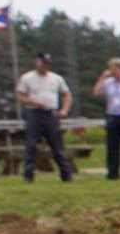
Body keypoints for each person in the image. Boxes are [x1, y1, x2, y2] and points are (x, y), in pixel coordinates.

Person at [15, 52, 75, 183]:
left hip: (51, 114)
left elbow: (66, 94)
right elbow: (20, 96)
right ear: (37, 62)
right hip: (34, 113)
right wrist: (33, 102)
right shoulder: (27, 78)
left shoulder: (56, 78)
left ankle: (66, 175)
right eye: (43, 63)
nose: (45, 66)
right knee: (31, 145)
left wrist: (64, 109)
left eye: (47, 64)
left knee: (57, 146)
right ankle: (28, 176)